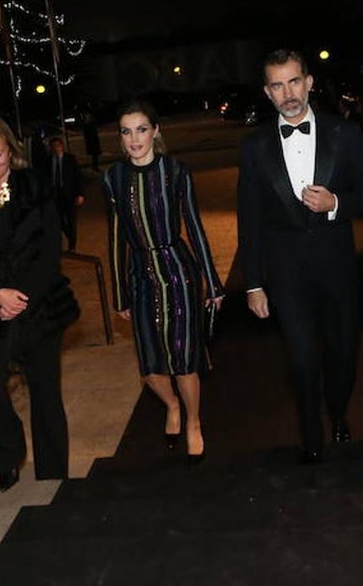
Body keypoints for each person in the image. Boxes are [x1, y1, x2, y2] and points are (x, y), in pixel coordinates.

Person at [237, 49, 363, 463]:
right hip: (285, 272)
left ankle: (337, 410)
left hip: (337, 265)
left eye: (294, 81)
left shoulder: (345, 133)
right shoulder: (254, 147)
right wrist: (253, 283)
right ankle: (310, 434)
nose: (288, 93)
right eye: (278, 85)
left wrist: (337, 202)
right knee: (301, 358)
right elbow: (249, 220)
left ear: (309, 82)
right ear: (267, 93)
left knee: (342, 351)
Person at [0, 115, 78, 491]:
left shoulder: (36, 185)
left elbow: (50, 249)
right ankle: (7, 456)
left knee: (45, 391)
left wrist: (22, 297)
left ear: (11, 151)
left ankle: (54, 472)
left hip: (38, 303)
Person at [102, 100, 224, 463]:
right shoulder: (113, 178)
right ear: (120, 138)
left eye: (141, 129)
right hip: (141, 276)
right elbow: (114, 238)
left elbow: (196, 229)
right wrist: (120, 293)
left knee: (184, 359)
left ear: (155, 131)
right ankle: (170, 404)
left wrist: (213, 282)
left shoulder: (176, 171)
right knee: (151, 364)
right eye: (126, 131)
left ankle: (193, 421)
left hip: (179, 273)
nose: (134, 138)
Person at [41, 135, 85, 251]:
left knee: (71, 220)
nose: (56, 149)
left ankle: (72, 246)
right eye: (53, 147)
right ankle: (69, 236)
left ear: (62, 147)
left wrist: (80, 194)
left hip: (69, 194)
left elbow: (78, 177)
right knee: (58, 219)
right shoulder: (47, 161)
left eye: (58, 146)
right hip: (55, 194)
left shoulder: (70, 159)